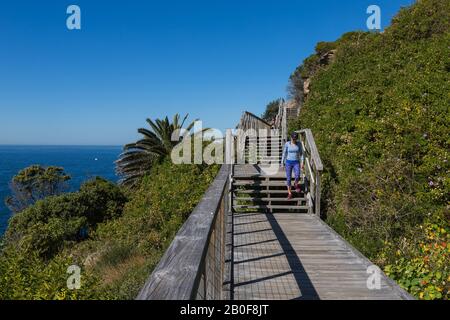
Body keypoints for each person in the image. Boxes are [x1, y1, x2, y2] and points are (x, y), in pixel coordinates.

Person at [281, 132, 304, 199]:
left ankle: (296, 184)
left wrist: (302, 163)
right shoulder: (287, 144)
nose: (294, 140)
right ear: (291, 138)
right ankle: (289, 193)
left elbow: (301, 154)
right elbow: (284, 153)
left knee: (297, 175)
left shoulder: (299, 144)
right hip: (288, 162)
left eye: (295, 139)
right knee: (288, 178)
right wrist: (282, 163)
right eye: (293, 139)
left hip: (296, 162)